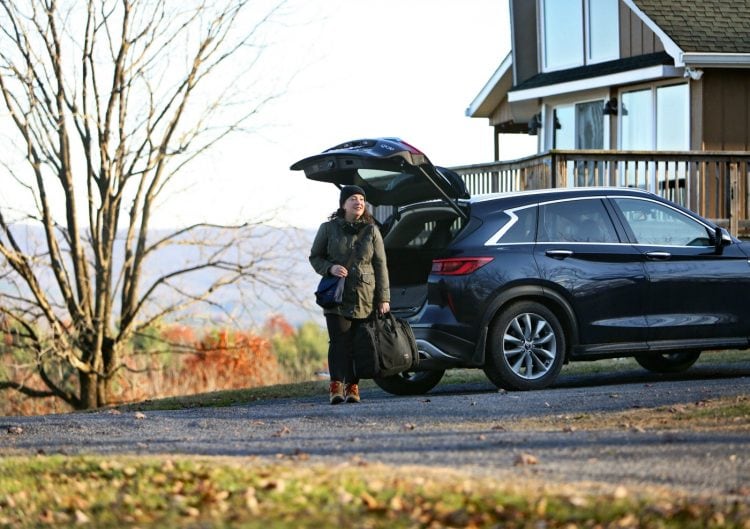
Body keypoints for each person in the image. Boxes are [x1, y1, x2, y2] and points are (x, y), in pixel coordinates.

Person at [309, 185, 391, 404]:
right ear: (343, 204)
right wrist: (330, 268)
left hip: (365, 295)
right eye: (353, 198)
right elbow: (315, 257)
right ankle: (336, 387)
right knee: (338, 342)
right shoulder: (327, 229)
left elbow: (380, 265)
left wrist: (383, 298)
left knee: (357, 344)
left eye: (362, 199)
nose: (359, 202)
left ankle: (353, 388)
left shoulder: (372, 231)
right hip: (337, 295)